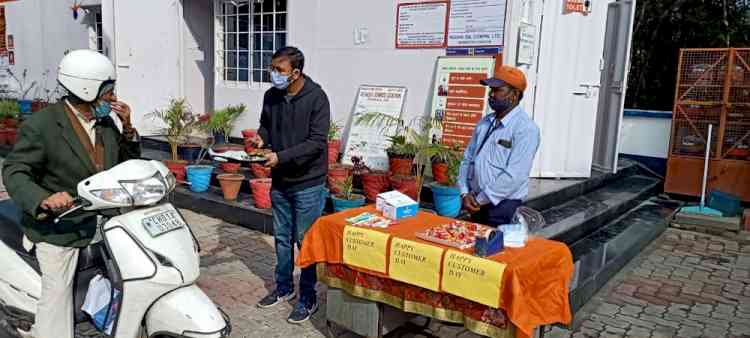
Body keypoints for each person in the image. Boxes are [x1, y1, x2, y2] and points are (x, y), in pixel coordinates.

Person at [3, 49, 140, 338]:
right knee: (58, 296)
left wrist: (128, 127)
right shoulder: (42, 125)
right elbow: (15, 171)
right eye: (108, 92)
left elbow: (126, 165)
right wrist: (43, 198)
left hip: (103, 221)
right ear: (87, 89)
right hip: (59, 228)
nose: (113, 98)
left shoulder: (105, 124)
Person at [252, 46, 330, 324]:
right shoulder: (271, 96)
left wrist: (280, 156)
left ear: (296, 72)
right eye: (272, 68)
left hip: (308, 183)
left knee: (304, 241)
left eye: (279, 70)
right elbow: (265, 125)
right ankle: (283, 287)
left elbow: (316, 142)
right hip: (281, 181)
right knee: (282, 238)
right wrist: (261, 139)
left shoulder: (317, 98)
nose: (273, 74)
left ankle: (307, 297)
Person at [457, 66, 540, 226]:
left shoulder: (526, 129)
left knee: (497, 250)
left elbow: (514, 176)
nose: (491, 94)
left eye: (497, 90)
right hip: (475, 201)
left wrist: (480, 200)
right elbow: (467, 159)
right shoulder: (485, 122)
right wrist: (464, 192)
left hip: (502, 206)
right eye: (491, 89)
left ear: (514, 95)